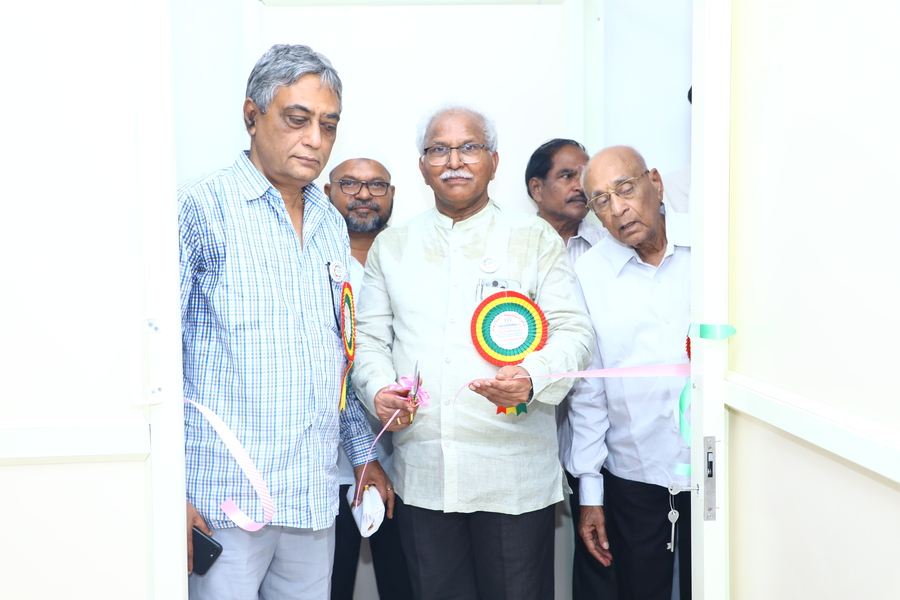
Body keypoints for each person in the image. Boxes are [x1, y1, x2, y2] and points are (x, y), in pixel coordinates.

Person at [351, 106, 593, 600]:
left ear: (494, 162)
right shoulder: (392, 246)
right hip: (424, 477)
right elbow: (369, 339)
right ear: (422, 167)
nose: (454, 161)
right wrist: (379, 390)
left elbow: (575, 332)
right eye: (439, 149)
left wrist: (532, 376)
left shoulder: (533, 238)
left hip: (513, 477)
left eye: (469, 147)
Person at [179, 44, 392, 600]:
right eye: (297, 120)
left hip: (311, 495)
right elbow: (157, 362)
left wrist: (362, 454)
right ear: (252, 116)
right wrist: (168, 491)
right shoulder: (200, 208)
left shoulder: (328, 221)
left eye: (328, 125)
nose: (315, 139)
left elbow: (336, 351)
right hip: (222, 499)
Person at [567, 145, 692, 600]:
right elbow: (589, 391)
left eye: (625, 189)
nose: (618, 209)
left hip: (718, 466)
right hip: (634, 474)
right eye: (601, 200)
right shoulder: (588, 274)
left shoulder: (713, 246)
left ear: (654, 182)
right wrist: (590, 494)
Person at [526, 139, 615, 600]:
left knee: (602, 554)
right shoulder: (515, 246)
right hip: (525, 422)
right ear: (536, 188)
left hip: (598, 426)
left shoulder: (608, 248)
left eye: (585, 175)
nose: (580, 185)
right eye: (567, 175)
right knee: (524, 560)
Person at [324, 156, 413, 600]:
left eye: (377, 185)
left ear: (392, 194)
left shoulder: (412, 256)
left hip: (405, 462)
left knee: (406, 586)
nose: (364, 194)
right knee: (330, 587)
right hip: (330, 467)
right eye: (350, 184)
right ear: (326, 192)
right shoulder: (309, 259)